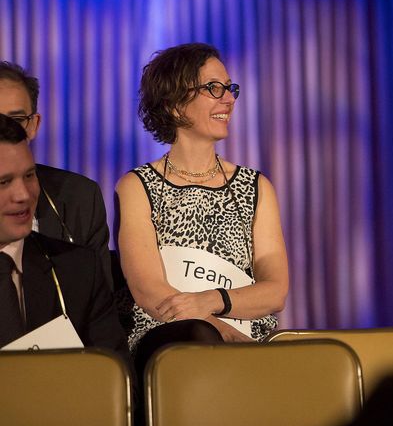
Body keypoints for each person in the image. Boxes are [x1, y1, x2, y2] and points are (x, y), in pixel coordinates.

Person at [116, 42, 288, 368]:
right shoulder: (136, 186)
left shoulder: (256, 187)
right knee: (198, 342)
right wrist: (213, 325)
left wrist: (210, 302)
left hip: (247, 339)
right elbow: (149, 291)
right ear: (175, 104)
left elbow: (275, 291)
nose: (229, 99)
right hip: (166, 340)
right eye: (214, 88)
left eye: (229, 88)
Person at [0, 114, 126, 353]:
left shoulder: (78, 269)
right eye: (4, 182)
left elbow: (114, 375)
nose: (23, 195)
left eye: (29, 175)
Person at [0, 61, 112, 286]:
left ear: (33, 125)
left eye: (15, 121)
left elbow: (100, 308)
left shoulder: (79, 197)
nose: (5, 132)